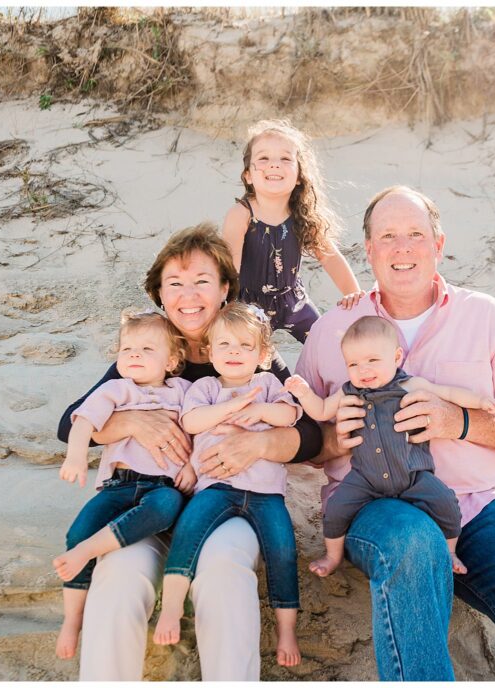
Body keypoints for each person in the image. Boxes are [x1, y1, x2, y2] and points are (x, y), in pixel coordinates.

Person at [295, 186, 495, 681]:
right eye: (388, 236)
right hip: (375, 508)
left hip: (478, 505)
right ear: (370, 250)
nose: (403, 248)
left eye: (416, 235)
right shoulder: (332, 329)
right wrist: (335, 439)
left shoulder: (485, 317)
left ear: (438, 244)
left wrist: (459, 422)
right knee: (414, 539)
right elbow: (304, 436)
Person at [57, 223, 322, 680]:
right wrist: (132, 421)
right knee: (118, 575)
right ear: (160, 294)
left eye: (202, 281)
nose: (189, 295)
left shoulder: (246, 348)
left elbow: (312, 433)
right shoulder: (148, 351)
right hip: (147, 505)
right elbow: (71, 424)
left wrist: (260, 442)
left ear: (224, 289)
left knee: (222, 570)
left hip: (225, 506)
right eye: (175, 284)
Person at [285, 315, 495, 577]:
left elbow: (449, 394)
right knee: (336, 508)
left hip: (413, 475)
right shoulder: (349, 392)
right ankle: (332, 556)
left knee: (446, 503)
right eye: (353, 364)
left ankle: (450, 550)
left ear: (397, 357)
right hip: (365, 477)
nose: (362, 370)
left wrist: (480, 401)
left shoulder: (410, 385)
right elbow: (320, 411)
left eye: (372, 361)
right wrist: (305, 393)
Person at [153, 303, 302, 667]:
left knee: (283, 552)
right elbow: (191, 421)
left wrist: (260, 411)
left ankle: (287, 631)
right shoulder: (204, 387)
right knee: (189, 531)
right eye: (225, 345)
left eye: (245, 346)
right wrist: (229, 410)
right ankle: (171, 608)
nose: (234, 352)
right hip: (216, 488)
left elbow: (291, 415)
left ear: (263, 354)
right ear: (209, 351)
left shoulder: (267, 385)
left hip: (267, 495)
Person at [53, 310, 194, 659]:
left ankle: (92, 549)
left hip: (163, 486)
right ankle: (72, 619)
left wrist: (192, 464)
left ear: (172, 360)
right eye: (127, 348)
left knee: (165, 508)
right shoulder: (116, 389)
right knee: (77, 532)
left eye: (147, 349)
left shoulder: (183, 391)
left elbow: (199, 429)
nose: (134, 355)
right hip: (119, 484)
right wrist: (74, 458)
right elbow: (83, 421)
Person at [221, 119, 364, 343]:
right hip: (248, 305)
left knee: (324, 343)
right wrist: (227, 313)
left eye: (285, 158)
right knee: (259, 363)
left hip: (294, 301)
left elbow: (331, 258)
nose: (274, 164)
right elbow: (229, 269)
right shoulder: (241, 214)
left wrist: (354, 295)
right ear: (248, 174)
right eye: (264, 158)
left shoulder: (303, 214)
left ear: (299, 176)